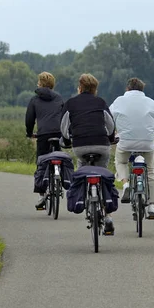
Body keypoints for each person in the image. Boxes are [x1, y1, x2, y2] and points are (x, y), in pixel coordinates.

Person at [59, 73, 116, 235]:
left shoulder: (70, 103)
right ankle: (108, 216)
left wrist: (67, 140)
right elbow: (110, 125)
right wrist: (111, 138)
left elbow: (64, 126)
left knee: (82, 168)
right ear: (95, 89)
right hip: (101, 144)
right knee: (103, 174)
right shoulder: (101, 102)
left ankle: (83, 197)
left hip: (80, 145)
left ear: (80, 87)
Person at [110, 77, 154, 219]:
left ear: (127, 89)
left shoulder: (118, 101)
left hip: (125, 143)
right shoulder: (151, 103)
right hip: (147, 143)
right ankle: (152, 205)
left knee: (121, 161)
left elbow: (109, 119)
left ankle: (125, 185)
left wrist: (112, 135)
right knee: (150, 170)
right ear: (142, 89)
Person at [25, 71, 64, 208]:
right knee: (58, 156)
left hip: (43, 135)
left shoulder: (34, 100)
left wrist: (30, 133)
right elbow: (64, 116)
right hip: (58, 134)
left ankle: (42, 194)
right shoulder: (59, 98)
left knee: (41, 162)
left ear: (40, 84)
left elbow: (29, 119)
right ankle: (59, 175)